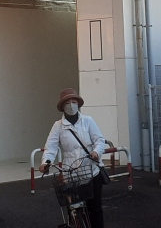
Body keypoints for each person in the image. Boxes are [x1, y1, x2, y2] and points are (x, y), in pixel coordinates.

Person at [39, 88, 108, 228]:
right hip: (70, 173)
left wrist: (96, 152)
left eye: (74, 102)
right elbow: (51, 147)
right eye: (67, 103)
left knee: (95, 208)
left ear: (78, 104)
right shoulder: (58, 126)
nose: (71, 105)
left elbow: (99, 140)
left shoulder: (88, 121)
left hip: (91, 169)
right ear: (62, 107)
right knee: (73, 209)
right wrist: (46, 162)